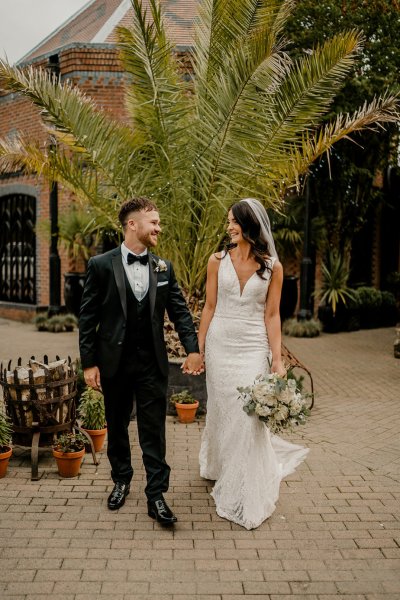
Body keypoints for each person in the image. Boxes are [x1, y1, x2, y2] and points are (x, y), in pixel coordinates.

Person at [79, 196, 204, 526]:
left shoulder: (164, 267)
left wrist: (193, 348)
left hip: (152, 363)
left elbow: (179, 310)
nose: (159, 228)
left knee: (153, 430)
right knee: (117, 426)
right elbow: (87, 316)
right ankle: (121, 480)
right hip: (114, 363)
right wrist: (89, 363)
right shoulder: (101, 265)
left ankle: (156, 495)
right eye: (155, 222)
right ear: (132, 225)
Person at [198, 198, 309, 530]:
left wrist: (277, 358)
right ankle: (219, 465)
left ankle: (245, 486)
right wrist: (198, 348)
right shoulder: (216, 261)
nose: (229, 227)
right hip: (220, 344)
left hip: (251, 345)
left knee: (247, 415)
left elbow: (272, 315)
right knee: (222, 409)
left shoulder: (273, 267)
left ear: (249, 225)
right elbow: (209, 306)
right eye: (228, 221)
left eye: (234, 221)